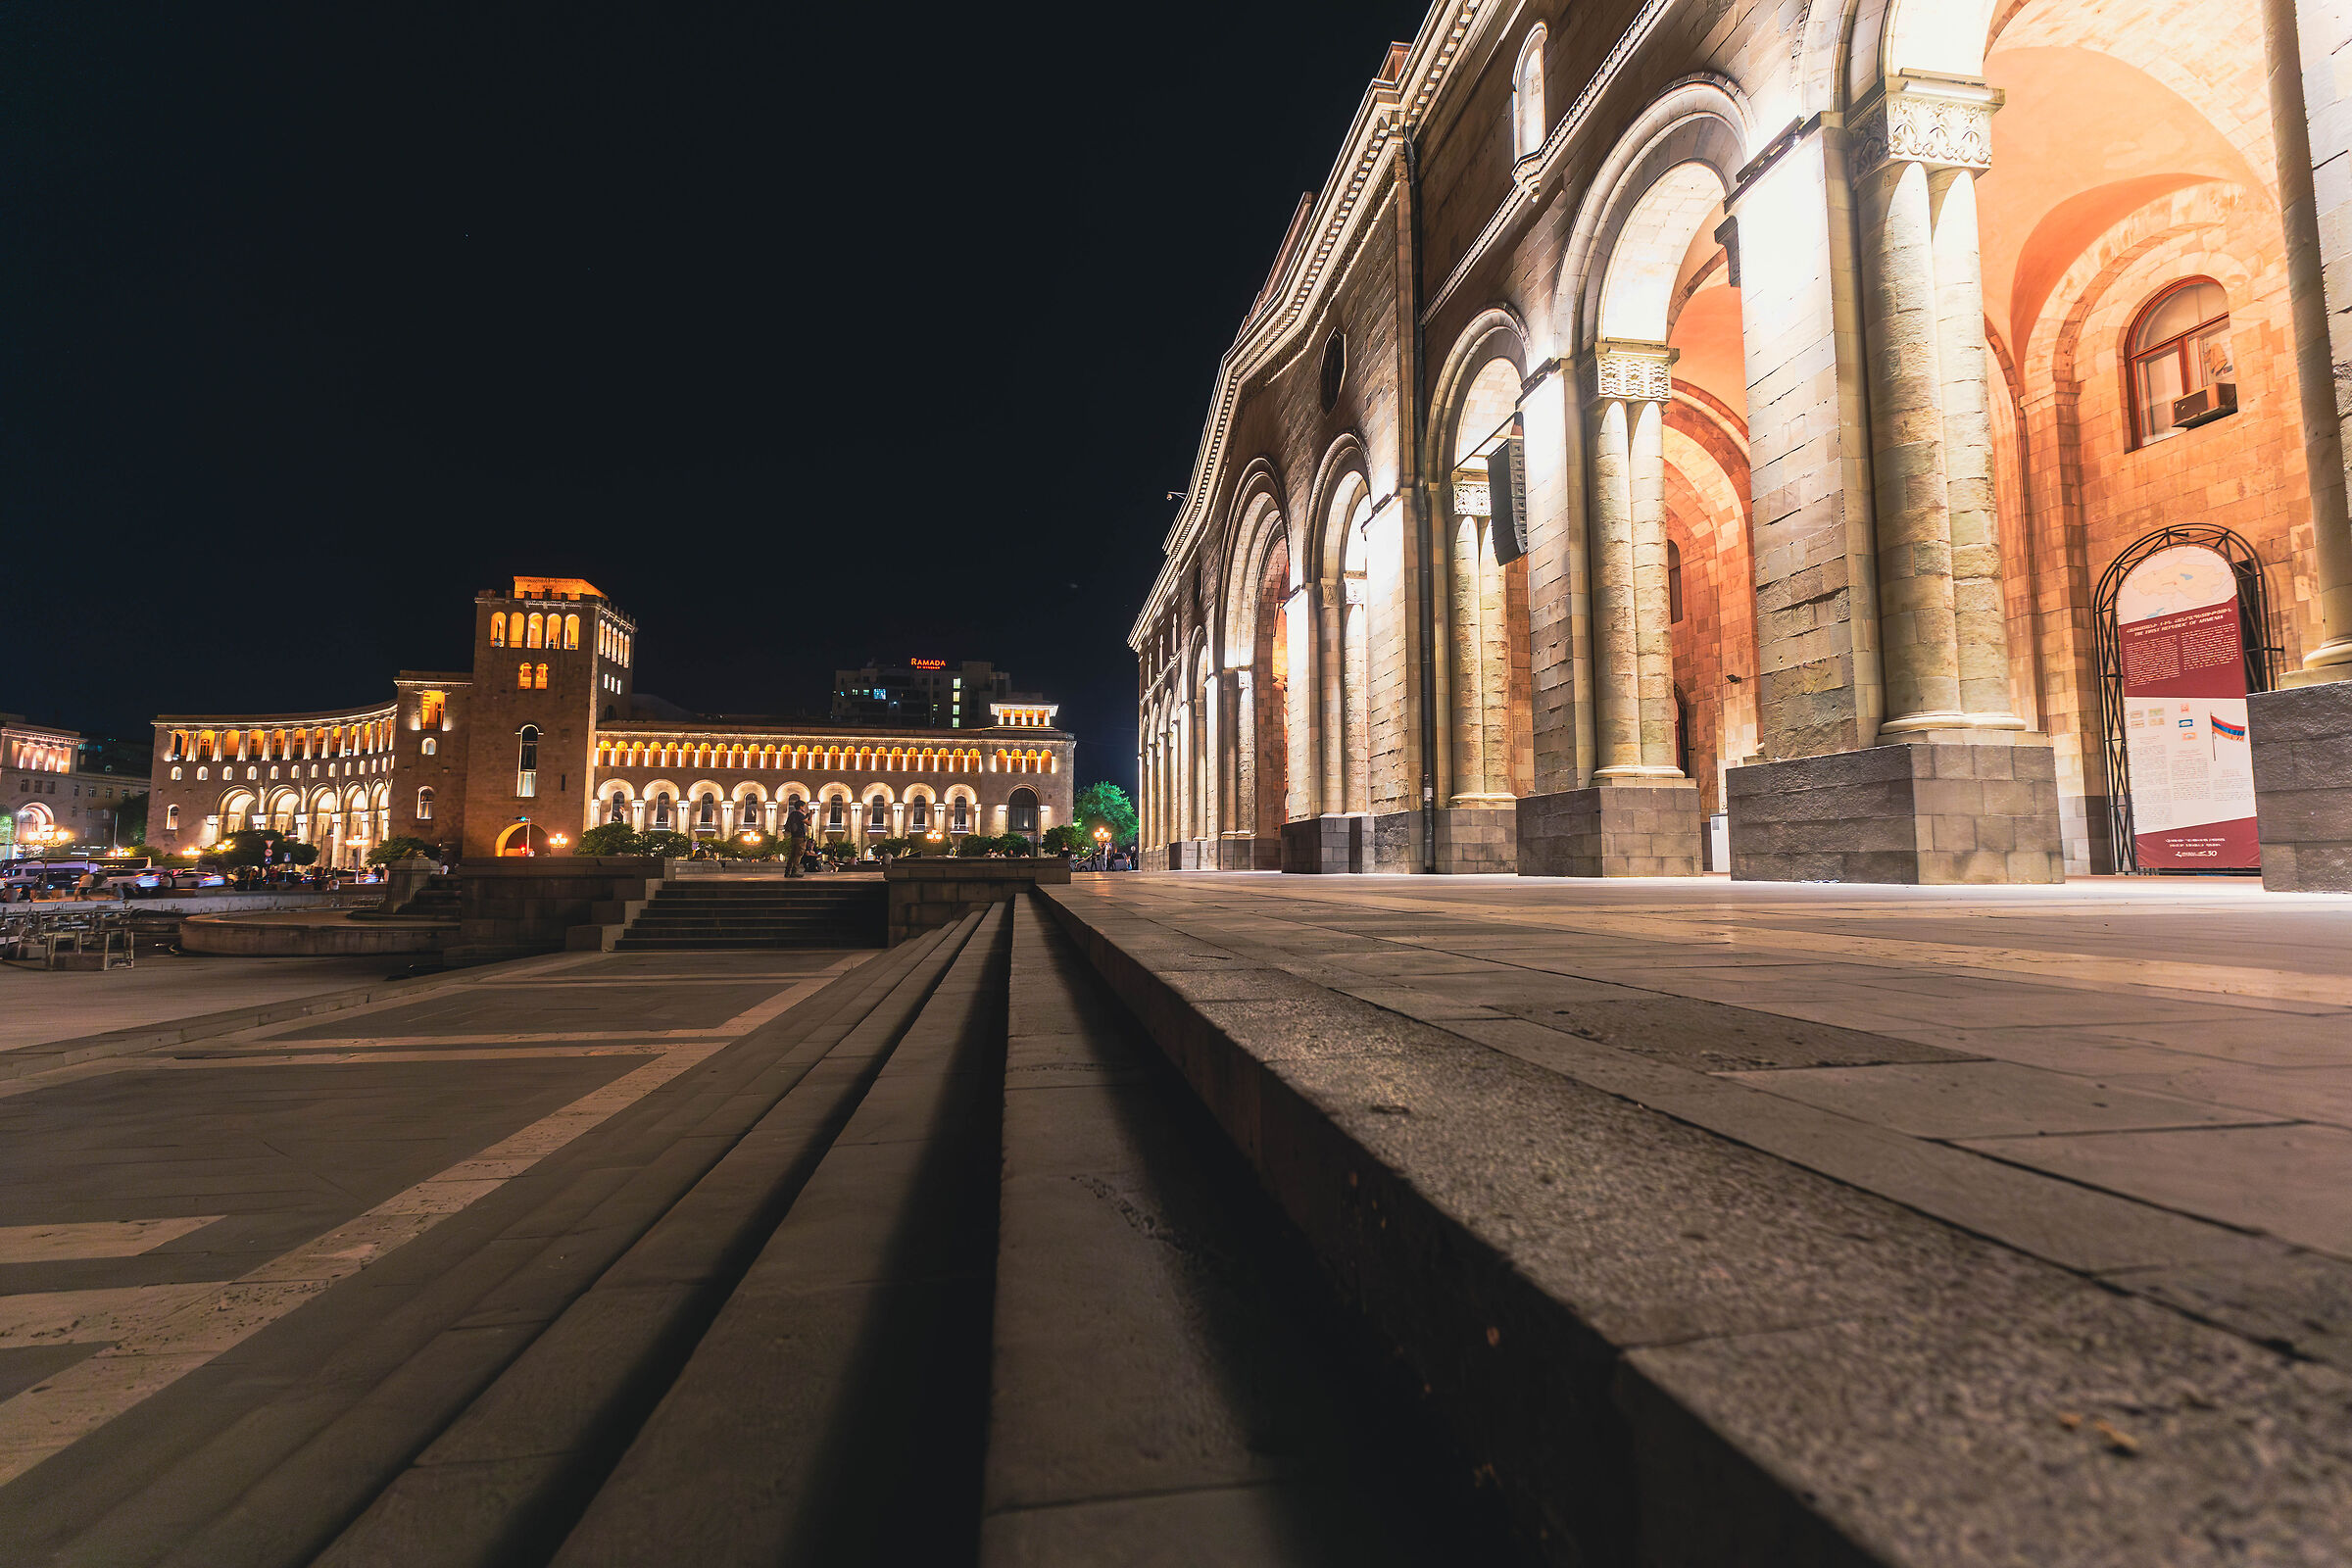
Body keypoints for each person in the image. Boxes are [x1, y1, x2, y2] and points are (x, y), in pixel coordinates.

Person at [783, 798, 811, 878]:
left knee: (792, 855)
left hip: (793, 836)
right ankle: (794, 871)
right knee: (798, 854)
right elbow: (809, 823)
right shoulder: (800, 814)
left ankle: (787, 871)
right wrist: (811, 816)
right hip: (800, 836)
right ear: (801, 807)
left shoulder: (792, 814)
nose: (804, 808)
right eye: (803, 806)